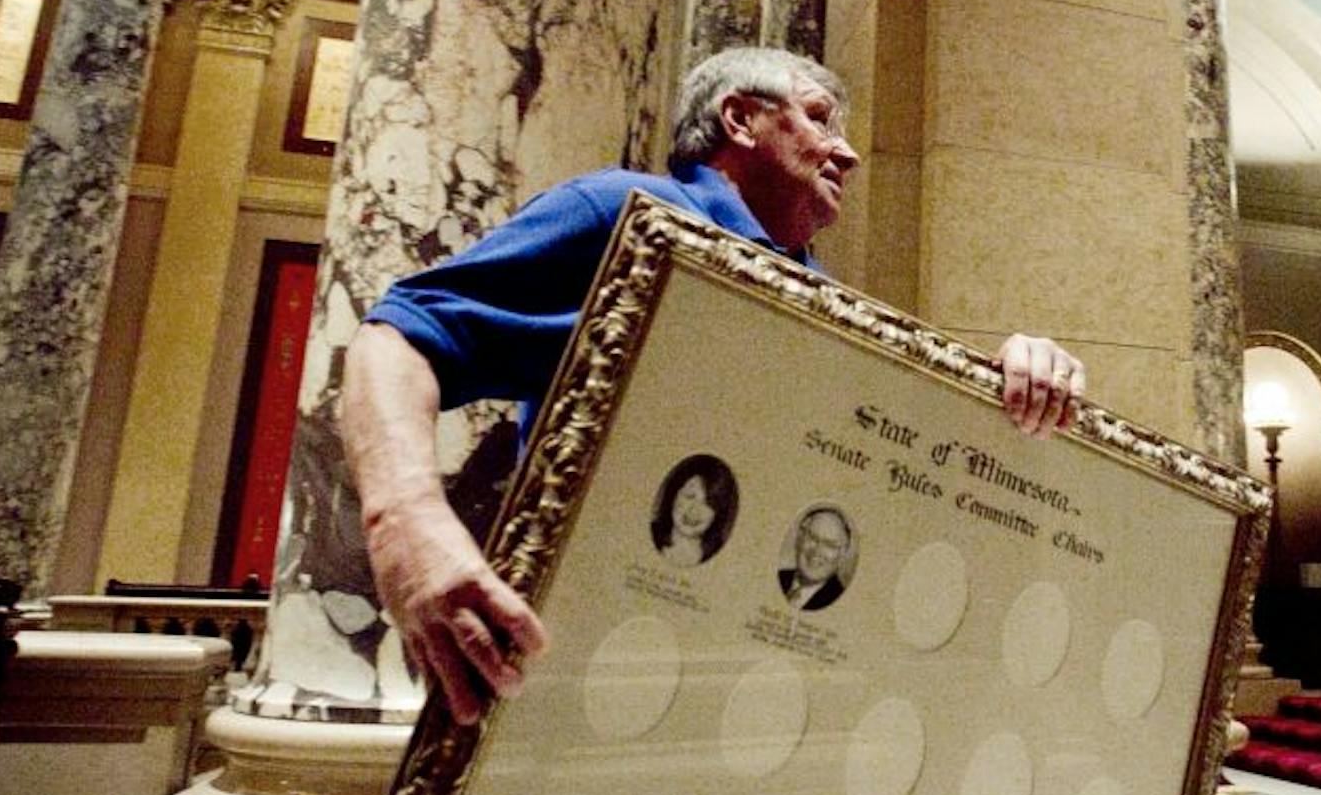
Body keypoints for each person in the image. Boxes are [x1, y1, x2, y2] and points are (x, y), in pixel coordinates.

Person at [342, 47, 1085, 723]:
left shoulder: (822, 297)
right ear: (740, 118)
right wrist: (404, 522)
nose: (849, 153)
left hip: (746, 679)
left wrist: (1010, 390)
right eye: (820, 120)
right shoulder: (625, 213)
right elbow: (397, 337)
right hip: (583, 658)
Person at [651, 456, 738, 567]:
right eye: (689, 496)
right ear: (674, 494)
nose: (694, 510)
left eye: (707, 504)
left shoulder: (726, 560)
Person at [777, 507, 853, 612]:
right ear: (799, 538)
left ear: (842, 555)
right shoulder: (779, 577)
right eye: (813, 538)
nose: (817, 550)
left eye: (830, 545)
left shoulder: (843, 603)